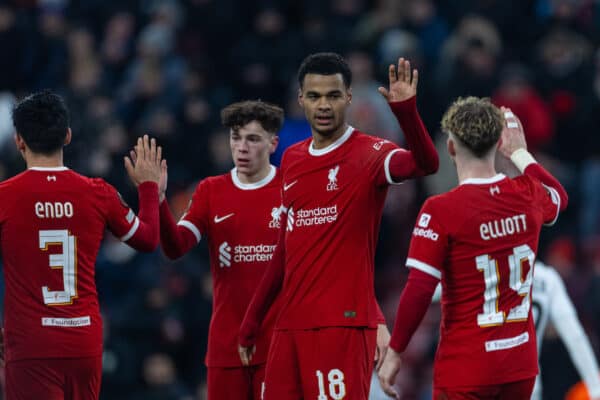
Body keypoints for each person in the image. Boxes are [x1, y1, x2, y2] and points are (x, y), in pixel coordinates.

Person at [238, 53, 439, 399]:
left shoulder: (370, 153)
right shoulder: (292, 158)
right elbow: (285, 250)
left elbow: (425, 164)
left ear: (349, 97)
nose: (323, 105)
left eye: (333, 95)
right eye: (314, 96)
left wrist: (406, 113)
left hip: (342, 325)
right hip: (289, 325)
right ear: (301, 100)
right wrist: (251, 322)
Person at [378, 100, 568, 399]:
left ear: (451, 147)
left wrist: (396, 351)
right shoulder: (527, 193)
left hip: (468, 367)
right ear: (498, 143)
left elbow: (420, 288)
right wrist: (520, 152)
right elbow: (559, 196)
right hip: (520, 365)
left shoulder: (441, 209)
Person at [0, 90, 162, 399]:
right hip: (83, 340)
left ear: (19, 140)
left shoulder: (5, 197)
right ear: (68, 136)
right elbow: (148, 238)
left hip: (31, 342)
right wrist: (150, 188)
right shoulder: (97, 193)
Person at [151, 100, 284, 399]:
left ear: (273, 143)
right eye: (236, 138)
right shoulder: (211, 190)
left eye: (253, 139)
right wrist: (158, 200)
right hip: (227, 345)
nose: (242, 147)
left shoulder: (291, 188)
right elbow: (176, 247)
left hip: (278, 344)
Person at [425, 260, 600, 400]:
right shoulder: (548, 279)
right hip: (527, 386)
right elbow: (575, 337)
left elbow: (426, 291)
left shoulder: (486, 267)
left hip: (481, 382)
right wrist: (595, 387)